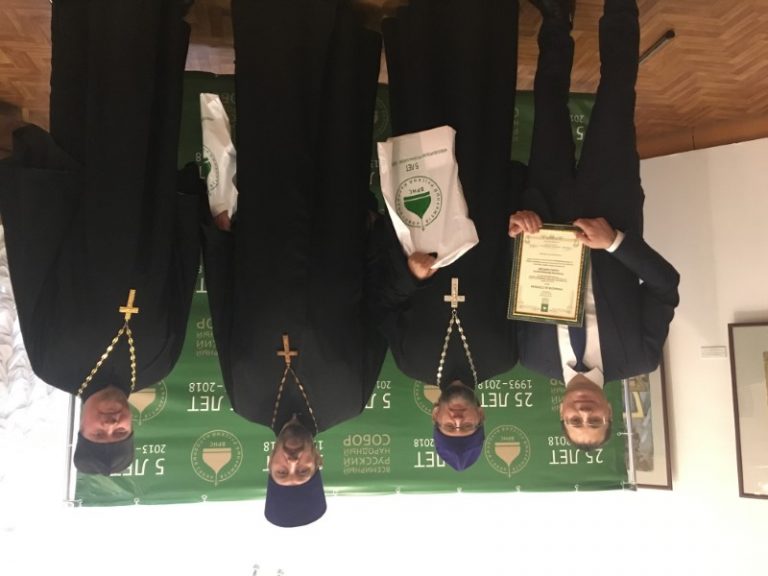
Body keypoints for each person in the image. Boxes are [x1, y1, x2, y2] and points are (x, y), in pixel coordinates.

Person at [202, 0, 386, 527]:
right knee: (339, 132)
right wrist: (372, 240)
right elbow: (377, 316)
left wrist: (220, 243)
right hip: (337, 236)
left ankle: (274, 19)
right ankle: (343, 30)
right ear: (319, 464)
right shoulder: (350, 402)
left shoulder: (244, 401)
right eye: (303, 472)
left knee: (274, 123)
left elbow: (223, 313)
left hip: (265, 236)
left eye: (283, 473)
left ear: (268, 467)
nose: (293, 462)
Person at [0, 0, 198, 475]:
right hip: (148, 197)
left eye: (98, 433)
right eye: (120, 433)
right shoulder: (158, 365)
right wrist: (184, 207)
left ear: (81, 429)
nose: (111, 424)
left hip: (85, 185)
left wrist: (41, 190)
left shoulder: (52, 364)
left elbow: (34, 273)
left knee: (92, 82)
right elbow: (179, 281)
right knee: (153, 100)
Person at [508, 0, 680, 450]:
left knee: (547, 103)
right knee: (616, 93)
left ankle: (556, 18)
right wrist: (615, 242)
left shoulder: (531, 357)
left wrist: (520, 230)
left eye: (575, 420)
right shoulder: (640, 357)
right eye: (594, 420)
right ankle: (620, 8)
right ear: (610, 412)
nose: (583, 412)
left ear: (561, 413)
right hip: (611, 204)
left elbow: (515, 284)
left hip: (549, 209)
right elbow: (665, 286)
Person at [373, 0, 522, 470]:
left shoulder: (411, 362)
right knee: (482, 110)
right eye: (467, 426)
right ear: (482, 417)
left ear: (434, 417)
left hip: (423, 213)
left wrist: (410, 277)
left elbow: (382, 304)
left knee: (421, 113)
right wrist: (519, 226)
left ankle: (421, 20)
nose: (458, 420)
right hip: (485, 207)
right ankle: (484, 18)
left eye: (449, 427)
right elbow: (519, 284)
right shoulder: (505, 357)